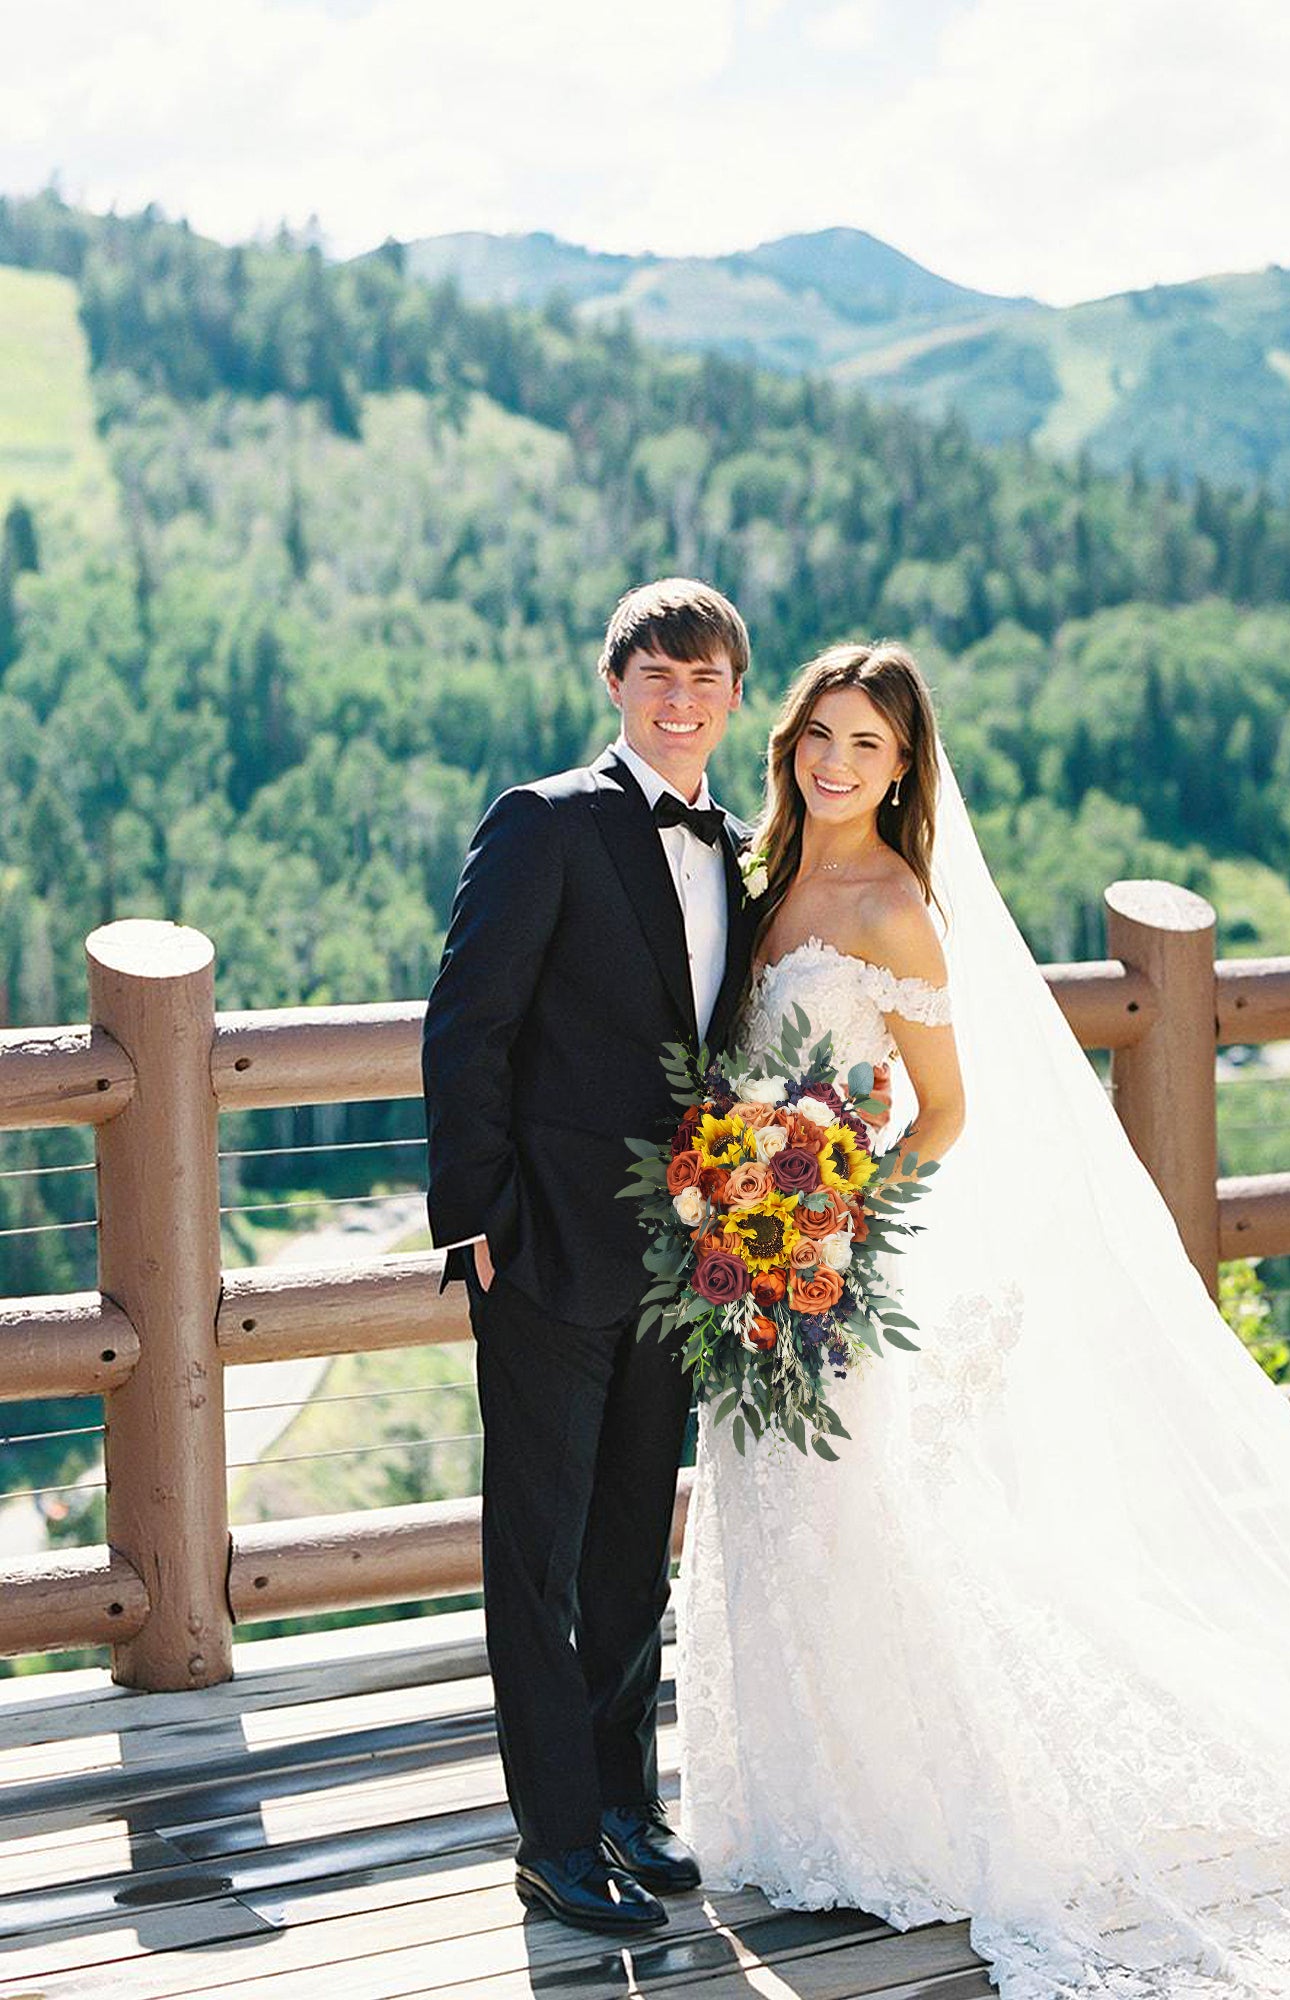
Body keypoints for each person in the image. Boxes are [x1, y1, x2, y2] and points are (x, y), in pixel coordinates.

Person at [677, 640, 1290, 1996]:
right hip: (743, 1260)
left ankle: (896, 1812)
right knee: (763, 1509)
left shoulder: (892, 908)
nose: (835, 763)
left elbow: (941, 1112)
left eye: (867, 747)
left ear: (902, 771)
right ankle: (787, 1807)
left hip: (826, 1262)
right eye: (820, 735)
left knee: (844, 1519)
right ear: (792, 746)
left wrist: (833, 1205)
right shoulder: (764, 883)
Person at [421, 578, 758, 1936]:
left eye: (708, 680)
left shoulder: (740, 846)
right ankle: (553, 1839)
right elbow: (466, 1027)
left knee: (630, 1548)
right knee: (537, 1555)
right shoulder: (543, 822)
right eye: (657, 676)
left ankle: (625, 1801)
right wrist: (474, 1222)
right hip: (545, 1251)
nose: (682, 702)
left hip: (681, 1262)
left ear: (736, 697)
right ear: (613, 683)